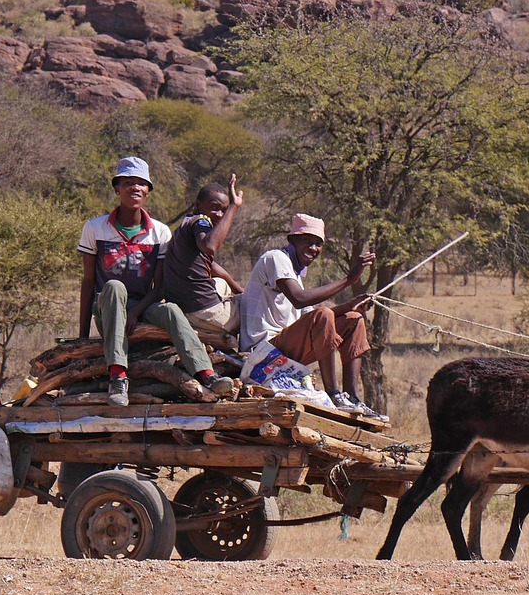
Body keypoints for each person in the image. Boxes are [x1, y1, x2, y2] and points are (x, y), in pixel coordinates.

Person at [77, 156, 235, 406]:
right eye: (128, 182)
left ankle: (205, 373)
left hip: (142, 305)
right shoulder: (95, 228)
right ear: (117, 188)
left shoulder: (159, 232)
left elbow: (160, 285)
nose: (135, 188)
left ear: (148, 191)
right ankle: (118, 376)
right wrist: (82, 337)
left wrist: (137, 312)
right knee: (115, 286)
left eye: (141, 183)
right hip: (107, 306)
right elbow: (88, 282)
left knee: (171, 309)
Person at [239, 213, 386, 420]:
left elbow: (313, 320)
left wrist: (350, 305)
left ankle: (352, 397)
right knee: (324, 313)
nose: (313, 248)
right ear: (292, 240)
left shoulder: (295, 273)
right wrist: (348, 280)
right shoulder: (275, 258)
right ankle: (334, 394)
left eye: (318, 244)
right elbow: (300, 300)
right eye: (306, 241)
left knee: (354, 319)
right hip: (263, 350)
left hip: (286, 348)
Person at [163, 175, 244, 336]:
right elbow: (209, 246)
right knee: (256, 306)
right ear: (198, 205)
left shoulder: (185, 225)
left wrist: (239, 290)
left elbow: (212, 266)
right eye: (215, 208)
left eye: (224, 210)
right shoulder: (201, 221)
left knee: (223, 283)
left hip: (184, 306)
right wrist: (233, 207)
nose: (220, 215)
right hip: (202, 311)